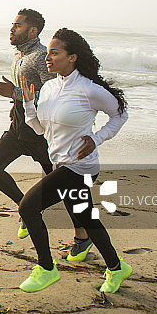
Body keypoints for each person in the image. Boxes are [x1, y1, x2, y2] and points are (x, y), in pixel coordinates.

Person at [17, 27, 131, 293]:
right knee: (88, 220)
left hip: (80, 167)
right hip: (60, 164)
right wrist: (29, 104)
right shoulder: (48, 88)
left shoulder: (89, 89)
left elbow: (120, 115)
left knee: (28, 208)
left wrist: (97, 138)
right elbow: (39, 129)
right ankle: (117, 267)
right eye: (47, 53)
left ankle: (46, 268)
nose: (48, 57)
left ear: (73, 57)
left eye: (54, 53)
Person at [0, 9, 91, 262]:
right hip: (20, 129)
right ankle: (26, 207)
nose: (12, 29)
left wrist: (15, 95)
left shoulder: (42, 56)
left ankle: (82, 236)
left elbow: (56, 94)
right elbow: (28, 89)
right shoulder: (19, 55)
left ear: (33, 31)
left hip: (43, 134)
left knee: (68, 188)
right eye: (12, 24)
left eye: (17, 26)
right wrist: (16, 103)